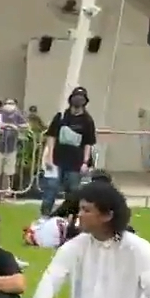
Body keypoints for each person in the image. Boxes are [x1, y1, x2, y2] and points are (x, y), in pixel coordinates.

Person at [39, 86, 97, 216]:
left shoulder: (87, 120)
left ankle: (69, 218)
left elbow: (88, 143)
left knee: (73, 193)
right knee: (50, 189)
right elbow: (51, 136)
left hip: (75, 163)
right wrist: (49, 157)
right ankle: (44, 216)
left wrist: (85, 162)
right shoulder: (61, 116)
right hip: (56, 160)